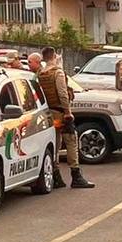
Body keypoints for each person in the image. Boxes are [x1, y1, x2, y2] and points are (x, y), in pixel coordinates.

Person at [35, 47, 94, 189]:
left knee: (55, 143)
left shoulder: (40, 74)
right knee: (71, 141)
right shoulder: (57, 73)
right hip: (60, 112)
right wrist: (68, 112)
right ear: (54, 56)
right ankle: (76, 175)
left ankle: (56, 176)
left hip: (48, 112)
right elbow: (62, 93)